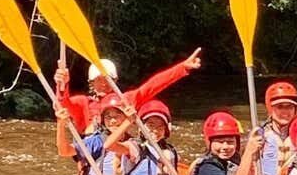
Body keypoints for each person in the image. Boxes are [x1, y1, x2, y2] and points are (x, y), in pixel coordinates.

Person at [54, 48, 202, 134]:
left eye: (108, 79)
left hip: (119, 154)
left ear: (115, 80)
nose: (104, 83)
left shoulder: (125, 99)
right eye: (100, 79)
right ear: (91, 82)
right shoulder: (83, 103)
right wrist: (62, 85)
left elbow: (153, 85)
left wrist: (183, 67)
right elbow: (62, 106)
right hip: (93, 157)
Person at [55, 94, 131, 175]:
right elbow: (65, 151)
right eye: (108, 117)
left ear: (126, 117)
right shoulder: (97, 141)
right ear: (103, 120)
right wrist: (61, 125)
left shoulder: (135, 142)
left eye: (117, 116)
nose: (112, 121)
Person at [259, 81, 297, 175]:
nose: (285, 112)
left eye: (289, 107)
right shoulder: (260, 136)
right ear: (271, 109)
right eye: (280, 107)